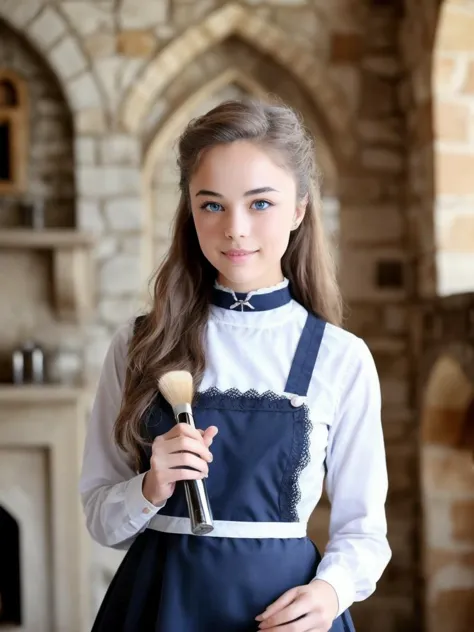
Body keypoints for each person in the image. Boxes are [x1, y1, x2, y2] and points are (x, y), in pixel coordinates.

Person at [79, 98, 391, 632]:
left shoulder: (341, 357)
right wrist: (151, 487)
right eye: (212, 205)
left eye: (260, 203)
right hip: (159, 606)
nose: (236, 229)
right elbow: (100, 518)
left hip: (287, 615)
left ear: (298, 208)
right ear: (190, 212)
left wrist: (329, 593)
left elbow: (364, 531)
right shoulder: (138, 344)